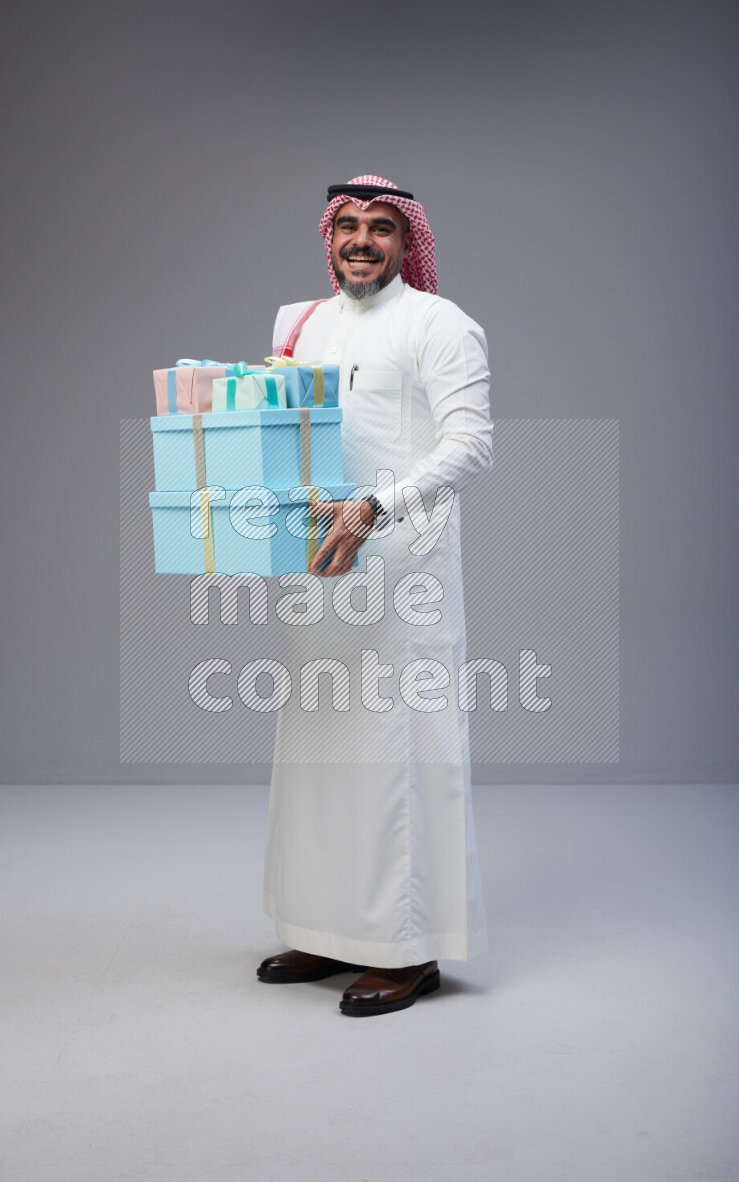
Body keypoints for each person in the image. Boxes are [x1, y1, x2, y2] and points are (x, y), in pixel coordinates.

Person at [258, 175, 493, 1016]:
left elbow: (473, 446)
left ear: (407, 241)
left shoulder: (440, 324)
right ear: (328, 236)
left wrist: (377, 508)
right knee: (321, 752)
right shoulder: (300, 323)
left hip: (404, 573)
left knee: (398, 757)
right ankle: (326, 930)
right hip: (319, 567)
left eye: (381, 228)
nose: (361, 240)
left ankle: (408, 948)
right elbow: (282, 431)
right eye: (347, 226)